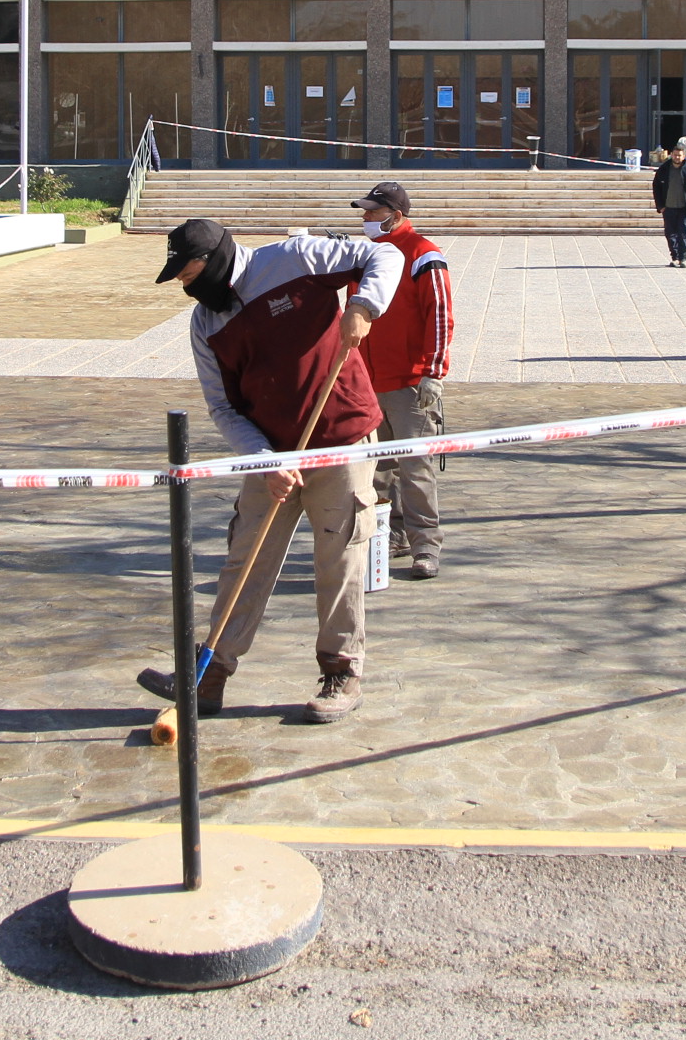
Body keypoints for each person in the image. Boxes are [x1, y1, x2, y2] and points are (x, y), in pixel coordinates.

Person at [137, 217, 401, 725]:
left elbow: (382, 256)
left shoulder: (293, 259)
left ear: (213, 259)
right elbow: (223, 409)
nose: (185, 286)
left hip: (341, 439)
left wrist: (364, 306)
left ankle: (341, 670)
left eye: (187, 274)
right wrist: (263, 460)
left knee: (339, 559)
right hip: (271, 454)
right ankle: (210, 675)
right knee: (246, 557)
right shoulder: (205, 325)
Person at [353, 182, 454, 581]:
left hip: (411, 384)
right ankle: (391, 536)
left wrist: (434, 372)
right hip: (369, 382)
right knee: (378, 470)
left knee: (416, 469)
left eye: (371, 213)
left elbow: (440, 316)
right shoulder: (367, 255)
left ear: (395, 215)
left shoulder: (424, 255)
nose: (364, 219)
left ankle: (425, 545)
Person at [650, 141, 686, 267]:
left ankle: (683, 258)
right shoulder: (664, 170)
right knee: (670, 234)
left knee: (683, 233)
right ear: (671, 155)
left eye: (679, 155)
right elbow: (656, 188)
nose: (677, 157)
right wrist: (660, 206)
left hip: (684, 208)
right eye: (675, 155)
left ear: (684, 156)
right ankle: (674, 257)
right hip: (668, 208)